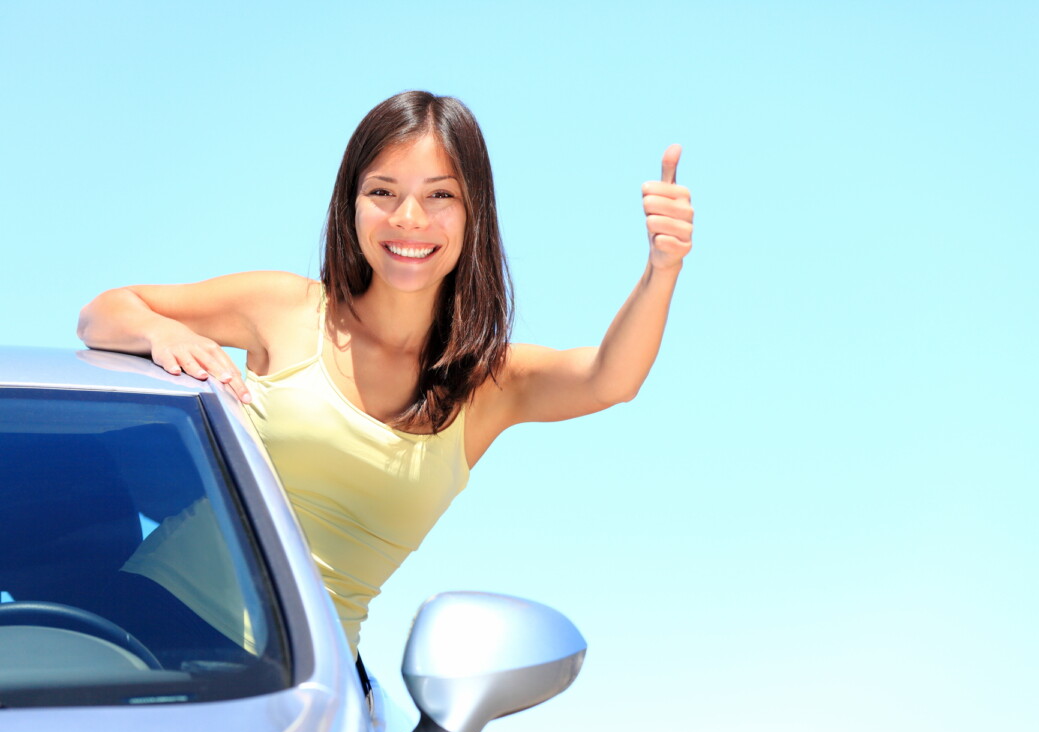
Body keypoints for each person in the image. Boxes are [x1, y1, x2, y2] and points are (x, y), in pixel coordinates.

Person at [78, 90, 693, 656]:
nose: (408, 218)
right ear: (351, 203)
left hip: (303, 686)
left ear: (473, 212)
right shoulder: (286, 308)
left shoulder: (488, 384)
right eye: (382, 191)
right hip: (139, 631)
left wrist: (661, 267)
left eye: (439, 195)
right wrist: (165, 333)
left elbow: (612, 378)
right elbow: (104, 313)